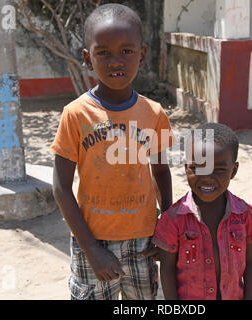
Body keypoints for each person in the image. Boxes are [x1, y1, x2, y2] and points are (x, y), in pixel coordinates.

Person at [51, 3, 174, 300]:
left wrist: (167, 226)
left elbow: (160, 171)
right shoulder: (76, 114)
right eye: (103, 52)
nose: (115, 61)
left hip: (143, 239)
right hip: (92, 239)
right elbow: (60, 187)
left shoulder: (154, 114)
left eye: (126, 51)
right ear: (87, 59)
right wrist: (91, 249)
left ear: (142, 56)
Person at [153, 123, 252, 300]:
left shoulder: (244, 214)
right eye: (197, 168)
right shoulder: (173, 220)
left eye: (218, 170)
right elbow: (167, 269)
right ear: (186, 168)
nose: (207, 178)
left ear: (233, 171)